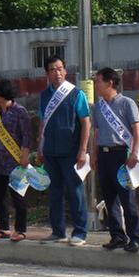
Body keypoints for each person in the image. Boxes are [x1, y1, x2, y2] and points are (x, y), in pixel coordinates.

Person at [38, 55, 91, 246]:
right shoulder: (44, 95)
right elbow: (43, 122)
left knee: (75, 192)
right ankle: (58, 231)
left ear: (65, 71)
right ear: (47, 73)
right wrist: (40, 146)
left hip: (71, 150)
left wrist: (83, 150)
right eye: (52, 69)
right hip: (50, 151)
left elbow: (86, 122)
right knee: (54, 192)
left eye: (60, 68)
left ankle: (80, 232)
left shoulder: (76, 94)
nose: (57, 72)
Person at [91, 68, 139, 252]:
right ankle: (117, 236)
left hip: (121, 153)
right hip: (104, 154)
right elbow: (96, 133)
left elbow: (136, 130)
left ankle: (136, 237)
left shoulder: (127, 103)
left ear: (110, 83)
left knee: (127, 198)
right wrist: (95, 155)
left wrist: (134, 153)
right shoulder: (98, 107)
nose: (96, 85)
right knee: (109, 198)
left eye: (98, 81)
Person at [0, 79, 32, 242]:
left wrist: (25, 155)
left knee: (18, 196)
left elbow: (26, 135)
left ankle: (21, 229)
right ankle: (3, 228)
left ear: (2, 93)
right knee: (0, 197)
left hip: (15, 162)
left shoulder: (20, 111)